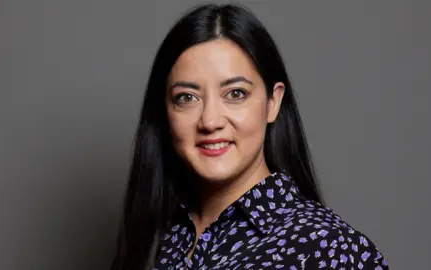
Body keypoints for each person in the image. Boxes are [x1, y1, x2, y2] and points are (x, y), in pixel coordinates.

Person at [110, 4, 388, 270]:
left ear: (273, 102)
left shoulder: (328, 248)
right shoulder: (162, 238)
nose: (210, 121)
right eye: (187, 97)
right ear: (165, 110)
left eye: (235, 94)